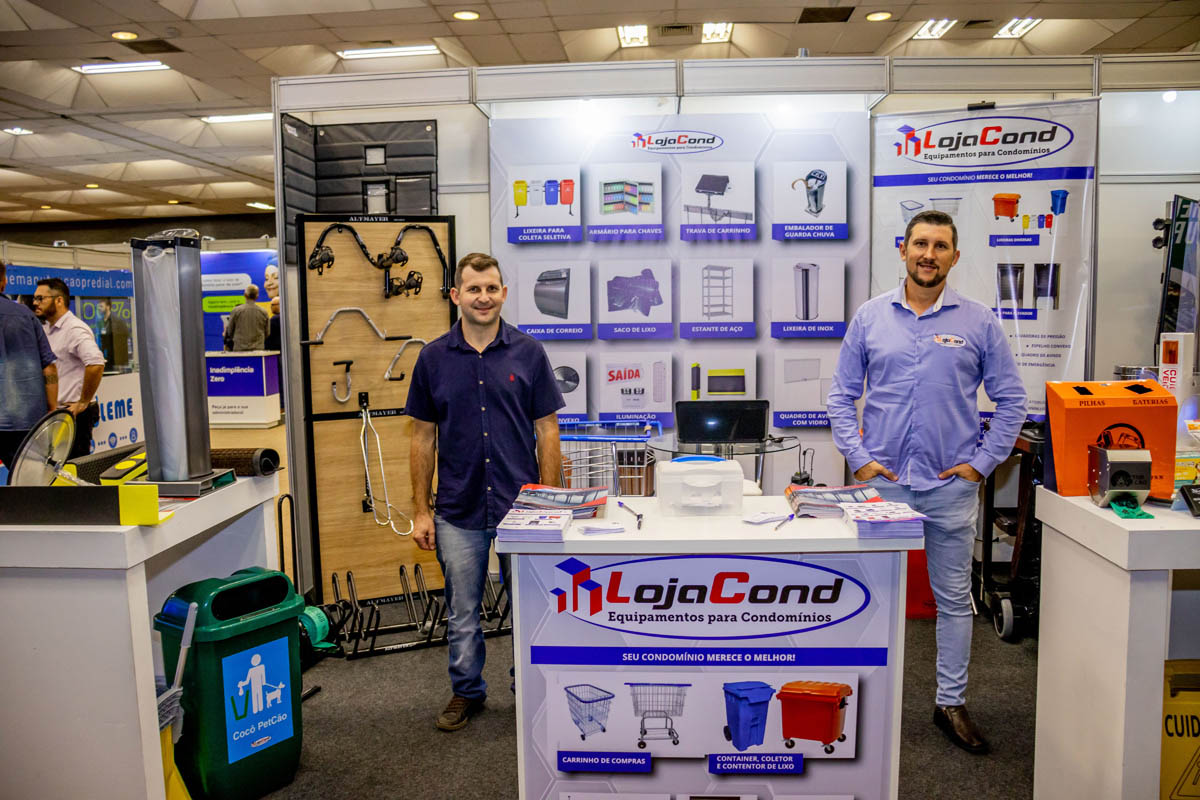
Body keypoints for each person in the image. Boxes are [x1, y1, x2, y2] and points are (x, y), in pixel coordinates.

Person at [826, 210, 1027, 755]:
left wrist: (980, 464)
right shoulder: (870, 317)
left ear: (955, 257)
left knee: (954, 599)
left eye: (940, 246)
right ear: (903, 249)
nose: (928, 254)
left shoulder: (979, 321)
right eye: (920, 243)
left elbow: (1012, 400)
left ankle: (950, 703)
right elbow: (840, 396)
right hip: (884, 485)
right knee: (869, 596)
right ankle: (858, 700)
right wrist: (860, 459)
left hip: (949, 487)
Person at [406, 252, 564, 732]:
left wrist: (549, 503)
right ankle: (466, 691)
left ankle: (527, 689)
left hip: (523, 508)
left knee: (531, 608)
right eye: (474, 289)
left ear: (504, 294)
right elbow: (422, 438)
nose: (483, 297)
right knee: (462, 612)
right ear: (456, 295)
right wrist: (420, 510)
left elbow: (548, 431)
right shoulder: (432, 358)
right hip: (458, 507)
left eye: (492, 288)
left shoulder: (529, 352)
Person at [33, 277, 104, 459]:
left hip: (73, 414)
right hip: (55, 414)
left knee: (73, 468)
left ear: (59, 300)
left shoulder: (74, 329)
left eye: (41, 298)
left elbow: (96, 363)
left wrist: (83, 402)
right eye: (35, 298)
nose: (35, 303)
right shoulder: (47, 329)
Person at [0, 261, 58, 469]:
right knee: (31, 478)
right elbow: (48, 367)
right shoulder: (26, 315)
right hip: (28, 420)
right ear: (4, 282)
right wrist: (52, 409)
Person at [224, 284, 268, 351]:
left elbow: (230, 331)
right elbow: (267, 333)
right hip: (258, 349)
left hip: (239, 349)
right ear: (257, 296)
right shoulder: (264, 312)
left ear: (245, 295)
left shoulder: (236, 311)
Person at [95, 297, 130, 370]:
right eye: (98, 306)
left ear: (108, 307)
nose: (99, 308)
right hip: (104, 359)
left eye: (101, 306)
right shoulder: (100, 322)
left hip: (116, 360)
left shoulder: (117, 322)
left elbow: (124, 339)